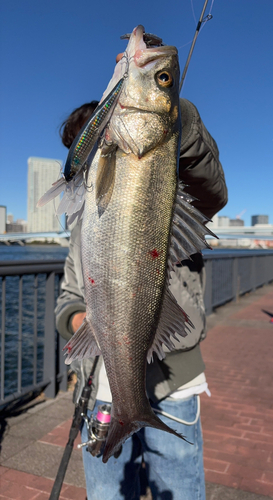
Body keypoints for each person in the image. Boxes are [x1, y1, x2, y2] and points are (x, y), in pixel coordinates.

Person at [55, 88, 227, 498]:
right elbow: (68, 296)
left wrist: (170, 109)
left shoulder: (175, 189)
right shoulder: (82, 224)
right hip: (99, 386)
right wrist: (88, 322)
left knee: (182, 490)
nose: (86, 161)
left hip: (175, 385)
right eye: (78, 154)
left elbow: (212, 185)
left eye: (92, 145)